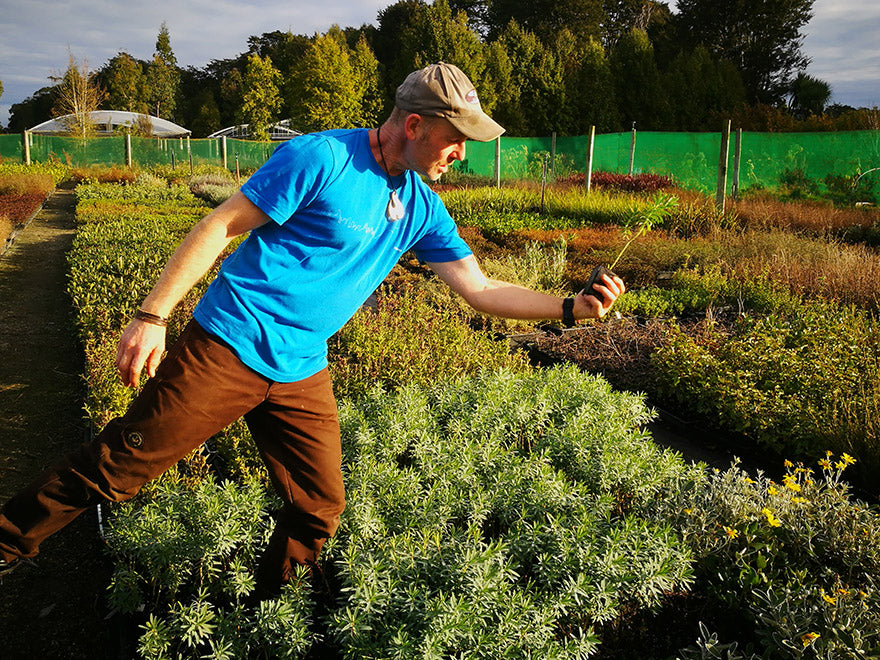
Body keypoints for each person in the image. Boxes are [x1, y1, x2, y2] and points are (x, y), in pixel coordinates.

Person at [0, 63, 625, 594]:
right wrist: (151, 316)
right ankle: (7, 543)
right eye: (455, 138)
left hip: (301, 366)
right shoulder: (321, 159)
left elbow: (481, 289)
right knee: (115, 470)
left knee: (320, 506)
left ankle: (272, 607)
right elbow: (218, 226)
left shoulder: (423, 206)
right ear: (415, 125)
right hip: (228, 345)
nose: (462, 153)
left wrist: (570, 310)